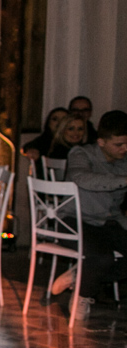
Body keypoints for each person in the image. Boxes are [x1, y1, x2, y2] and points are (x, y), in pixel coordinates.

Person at [52, 111, 127, 322]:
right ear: (101, 142)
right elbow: (83, 178)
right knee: (102, 257)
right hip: (74, 219)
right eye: (119, 144)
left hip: (108, 221)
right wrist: (124, 180)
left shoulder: (124, 161)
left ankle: (79, 275)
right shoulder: (81, 154)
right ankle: (82, 296)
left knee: (105, 259)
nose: (125, 149)